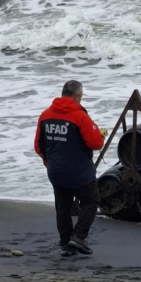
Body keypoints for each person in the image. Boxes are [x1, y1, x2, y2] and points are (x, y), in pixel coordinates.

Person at [34, 80, 105, 256]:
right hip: (79, 172)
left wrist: (48, 162)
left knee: (63, 207)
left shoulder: (45, 115)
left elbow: (38, 146)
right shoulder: (80, 116)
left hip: (56, 171)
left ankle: (66, 244)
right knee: (91, 201)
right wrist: (100, 135)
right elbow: (95, 142)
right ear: (77, 96)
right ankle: (78, 237)